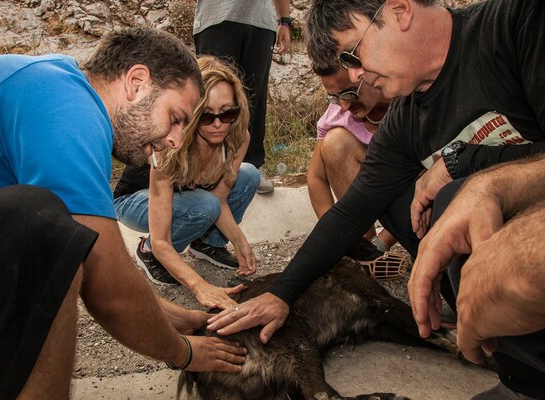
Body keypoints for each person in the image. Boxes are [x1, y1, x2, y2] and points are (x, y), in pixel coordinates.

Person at [206, 0, 545, 398]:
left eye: (352, 53)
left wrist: (473, 170)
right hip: (473, 269)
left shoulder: (517, 24)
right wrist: (282, 293)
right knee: (395, 192)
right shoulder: (406, 118)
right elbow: (350, 214)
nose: (354, 74)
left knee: (455, 190)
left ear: (400, 11)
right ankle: (515, 363)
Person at [0, 27, 247, 400]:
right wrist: (183, 352)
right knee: (48, 234)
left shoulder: (61, 89)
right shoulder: (66, 107)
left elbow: (100, 270)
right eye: (176, 117)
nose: (176, 139)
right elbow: (111, 289)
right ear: (137, 83)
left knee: (51, 237)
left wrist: (180, 318)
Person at [114, 55, 259, 310]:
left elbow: (221, 199)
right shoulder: (167, 143)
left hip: (190, 200)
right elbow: (163, 237)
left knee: (248, 175)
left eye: (228, 113)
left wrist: (240, 242)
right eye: (206, 115)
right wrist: (200, 286)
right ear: (191, 111)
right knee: (204, 205)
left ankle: (206, 244)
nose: (218, 124)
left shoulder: (237, 137)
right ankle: (147, 254)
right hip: (133, 200)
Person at [409, 154, 545, 400]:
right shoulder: (403, 125)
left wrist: (534, 242)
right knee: (454, 197)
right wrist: (488, 186)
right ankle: (525, 384)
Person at [191, 0, 292, 194]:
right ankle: (206, 169)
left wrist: (285, 21)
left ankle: (252, 164)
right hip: (216, 18)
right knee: (211, 96)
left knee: (254, 99)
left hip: (261, 22)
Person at [309, 62, 397, 254]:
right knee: (334, 143)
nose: (344, 105)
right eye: (334, 97)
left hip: (409, 199)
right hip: (374, 190)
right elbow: (316, 178)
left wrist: (383, 241)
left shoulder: (406, 104)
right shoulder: (338, 113)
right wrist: (335, 234)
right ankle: (362, 242)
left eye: (349, 93)